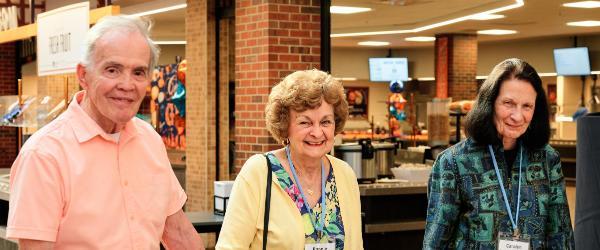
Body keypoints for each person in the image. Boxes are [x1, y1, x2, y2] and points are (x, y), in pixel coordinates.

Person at [7, 16, 203, 249]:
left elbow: (179, 233)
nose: (127, 84)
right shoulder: (44, 155)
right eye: (113, 70)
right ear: (83, 75)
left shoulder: (149, 140)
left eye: (138, 72)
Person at [423, 58, 574, 249]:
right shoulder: (454, 162)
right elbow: (435, 242)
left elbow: (561, 236)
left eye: (527, 106)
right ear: (489, 102)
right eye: (509, 103)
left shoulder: (547, 159)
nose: (518, 116)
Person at [216, 70, 363, 249]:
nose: (317, 133)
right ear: (285, 126)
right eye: (305, 122)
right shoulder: (259, 173)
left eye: (325, 122)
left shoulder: (345, 174)